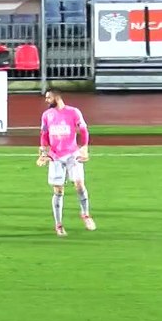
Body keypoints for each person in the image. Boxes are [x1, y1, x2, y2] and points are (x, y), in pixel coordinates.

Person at [38, 88, 95, 236]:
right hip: (55, 156)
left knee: (79, 184)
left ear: (56, 98)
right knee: (58, 191)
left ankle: (86, 215)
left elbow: (84, 129)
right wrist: (43, 153)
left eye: (48, 98)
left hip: (72, 154)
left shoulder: (73, 112)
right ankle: (59, 225)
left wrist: (85, 148)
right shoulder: (47, 115)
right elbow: (44, 135)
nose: (46, 100)